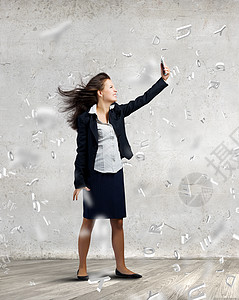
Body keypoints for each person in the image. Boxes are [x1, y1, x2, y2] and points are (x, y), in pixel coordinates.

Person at [58, 63, 170, 280]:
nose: (115, 90)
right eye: (111, 87)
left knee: (117, 221)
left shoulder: (118, 112)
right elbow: (81, 152)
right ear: (100, 92)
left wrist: (162, 81)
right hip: (95, 176)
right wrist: (79, 181)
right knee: (88, 220)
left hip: (115, 173)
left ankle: (121, 266)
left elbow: (142, 100)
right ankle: (82, 267)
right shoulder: (85, 119)